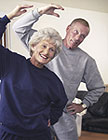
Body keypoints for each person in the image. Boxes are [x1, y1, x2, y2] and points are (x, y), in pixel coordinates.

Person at [13, 3, 105, 140]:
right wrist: (39, 12)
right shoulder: (46, 45)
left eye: (83, 36)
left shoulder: (86, 60)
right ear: (68, 29)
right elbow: (18, 28)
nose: (78, 38)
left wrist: (84, 104)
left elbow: (98, 87)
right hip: (37, 112)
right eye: (76, 32)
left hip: (64, 114)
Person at [0, 5, 68, 140]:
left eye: (51, 50)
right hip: (8, 134)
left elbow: (61, 102)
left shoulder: (52, 80)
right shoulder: (11, 63)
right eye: (43, 46)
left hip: (38, 135)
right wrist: (8, 17)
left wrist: (52, 118)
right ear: (33, 45)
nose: (46, 52)